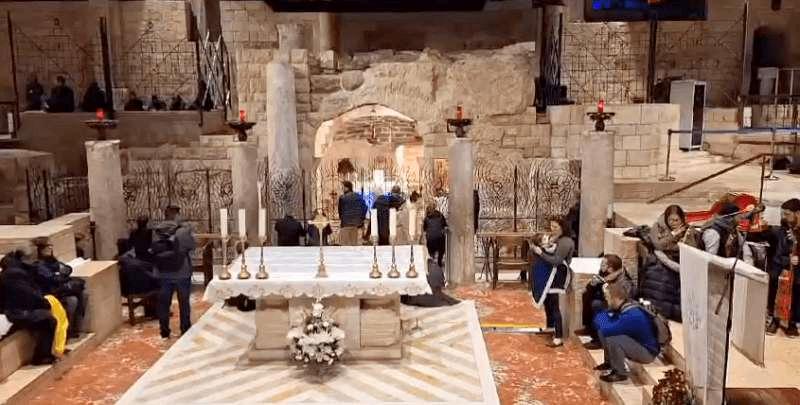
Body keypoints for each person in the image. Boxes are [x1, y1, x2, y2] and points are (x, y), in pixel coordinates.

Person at [593, 281, 661, 383]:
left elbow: (607, 328)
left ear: (616, 298)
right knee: (603, 331)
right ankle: (609, 363)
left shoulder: (631, 315)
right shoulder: (623, 306)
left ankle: (620, 373)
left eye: (607, 297)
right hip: (636, 343)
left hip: (647, 352)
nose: (606, 300)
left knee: (612, 337)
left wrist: (601, 313)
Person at [0, 251, 58, 365]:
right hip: (18, 312)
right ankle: (41, 356)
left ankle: (47, 352)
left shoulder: (17, 273)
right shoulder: (14, 275)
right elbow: (28, 294)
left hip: (19, 309)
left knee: (51, 313)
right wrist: (43, 302)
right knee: (48, 319)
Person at [152, 205, 195, 339]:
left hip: (162, 272)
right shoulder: (183, 231)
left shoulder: (156, 231)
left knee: (164, 303)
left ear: (165, 215)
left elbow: (153, 250)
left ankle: (164, 330)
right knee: (183, 302)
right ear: (176, 215)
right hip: (182, 271)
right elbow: (192, 246)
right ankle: (185, 328)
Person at [638, 205, 688, 321]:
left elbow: (685, 247)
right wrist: (673, 235)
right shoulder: (658, 227)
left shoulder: (686, 230)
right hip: (659, 260)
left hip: (676, 261)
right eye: (670, 220)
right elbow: (658, 245)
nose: (673, 223)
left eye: (676, 220)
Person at [531, 217, 575, 347]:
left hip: (556, 276)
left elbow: (556, 261)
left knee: (554, 304)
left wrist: (540, 253)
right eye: (551, 226)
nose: (552, 229)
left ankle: (559, 336)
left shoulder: (566, 242)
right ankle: (550, 327)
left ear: (563, 228)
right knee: (547, 302)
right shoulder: (555, 239)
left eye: (555, 227)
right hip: (548, 273)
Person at [580, 254, 635, 350]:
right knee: (587, 295)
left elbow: (620, 299)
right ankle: (589, 328)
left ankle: (599, 339)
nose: (601, 266)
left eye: (603, 264)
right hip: (606, 300)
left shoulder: (624, 280)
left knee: (597, 305)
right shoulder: (604, 273)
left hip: (617, 306)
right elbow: (593, 289)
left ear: (610, 268)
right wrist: (592, 284)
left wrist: (607, 286)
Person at [32, 243, 85, 339]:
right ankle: (68, 330)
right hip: (50, 294)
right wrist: (61, 275)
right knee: (73, 301)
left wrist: (62, 274)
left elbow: (67, 268)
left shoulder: (53, 261)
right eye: (47, 248)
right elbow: (54, 279)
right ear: (41, 250)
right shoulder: (39, 266)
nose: (50, 249)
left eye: (50, 247)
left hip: (59, 290)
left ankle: (73, 328)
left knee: (79, 293)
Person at [766, 198, 800, 335]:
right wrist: (788, 260)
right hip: (782, 265)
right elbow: (778, 254)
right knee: (775, 278)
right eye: (783, 214)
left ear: (797, 213)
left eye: (787, 214)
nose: (784, 217)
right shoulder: (783, 230)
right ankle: (774, 319)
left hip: (797, 270)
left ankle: (792, 322)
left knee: (797, 286)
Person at [337, 181, 367, 246]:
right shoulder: (359, 196)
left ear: (347, 188)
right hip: (357, 225)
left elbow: (340, 211)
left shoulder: (342, 198)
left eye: (342, 187)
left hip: (346, 225)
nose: (342, 189)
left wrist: (343, 219)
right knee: (356, 246)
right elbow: (365, 208)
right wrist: (361, 219)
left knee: (345, 246)